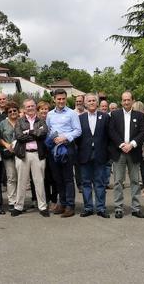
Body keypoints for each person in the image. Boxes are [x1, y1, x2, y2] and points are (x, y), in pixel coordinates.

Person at [108, 91, 144, 219]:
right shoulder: (114, 115)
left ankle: (136, 208)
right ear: (121, 101)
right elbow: (111, 131)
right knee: (118, 181)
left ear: (133, 100)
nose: (126, 102)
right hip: (119, 152)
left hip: (134, 152)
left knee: (135, 181)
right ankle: (118, 208)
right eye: (124, 100)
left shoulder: (140, 115)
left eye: (128, 100)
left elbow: (143, 132)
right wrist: (121, 144)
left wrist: (132, 144)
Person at [46, 89, 82, 218]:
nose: (61, 101)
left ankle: (70, 206)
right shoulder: (50, 114)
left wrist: (64, 137)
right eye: (59, 99)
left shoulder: (72, 114)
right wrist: (53, 137)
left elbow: (78, 131)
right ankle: (62, 203)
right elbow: (49, 129)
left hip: (67, 148)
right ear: (54, 100)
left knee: (67, 178)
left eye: (63, 99)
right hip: (54, 149)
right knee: (57, 178)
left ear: (66, 99)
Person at [76, 94, 111, 218]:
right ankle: (88, 208)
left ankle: (101, 208)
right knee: (86, 183)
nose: (91, 102)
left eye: (93, 100)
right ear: (85, 104)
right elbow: (77, 138)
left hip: (100, 155)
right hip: (84, 155)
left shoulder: (105, 117)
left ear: (97, 103)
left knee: (100, 183)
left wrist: (108, 153)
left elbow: (109, 137)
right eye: (89, 101)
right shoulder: (80, 118)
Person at [13, 98, 49, 217]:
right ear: (24, 108)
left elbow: (43, 134)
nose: (30, 108)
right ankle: (18, 206)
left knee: (39, 182)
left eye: (32, 106)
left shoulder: (41, 120)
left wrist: (28, 132)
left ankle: (42, 207)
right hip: (23, 154)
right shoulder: (19, 121)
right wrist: (35, 133)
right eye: (28, 106)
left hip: (38, 154)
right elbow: (19, 137)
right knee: (21, 182)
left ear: (35, 106)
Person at [0, 101, 19, 212]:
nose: (12, 113)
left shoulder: (22, 121)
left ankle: (20, 202)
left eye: (14, 110)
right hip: (8, 153)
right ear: (7, 113)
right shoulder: (2, 124)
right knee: (11, 177)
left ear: (18, 111)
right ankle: (12, 201)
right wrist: (6, 144)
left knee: (21, 178)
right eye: (10, 111)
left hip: (21, 153)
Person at [38, 101, 58, 210]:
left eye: (46, 109)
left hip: (52, 153)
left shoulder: (52, 120)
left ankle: (54, 200)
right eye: (42, 109)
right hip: (40, 154)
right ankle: (45, 200)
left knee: (54, 178)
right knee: (44, 178)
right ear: (38, 111)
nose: (44, 111)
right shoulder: (36, 122)